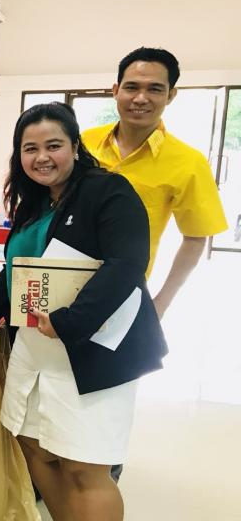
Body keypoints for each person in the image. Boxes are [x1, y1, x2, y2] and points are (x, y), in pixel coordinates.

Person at [0, 103, 167, 521]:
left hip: (93, 348)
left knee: (86, 466)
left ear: (75, 146)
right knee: (35, 445)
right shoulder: (33, 201)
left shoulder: (107, 191)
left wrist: (72, 321)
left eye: (54, 146)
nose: (42, 157)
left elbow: (127, 264)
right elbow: (17, 270)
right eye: (30, 148)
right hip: (36, 346)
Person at [82, 47, 227, 319]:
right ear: (116, 90)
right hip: (59, 278)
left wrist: (161, 303)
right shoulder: (84, 143)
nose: (140, 98)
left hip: (124, 294)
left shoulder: (189, 162)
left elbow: (195, 238)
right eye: (132, 87)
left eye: (155, 89)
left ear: (171, 95)